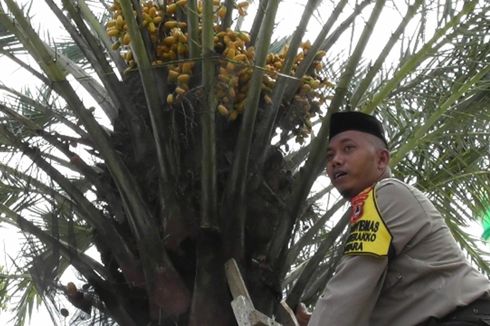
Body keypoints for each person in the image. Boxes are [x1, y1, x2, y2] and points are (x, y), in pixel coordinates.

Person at [299, 111, 490, 326]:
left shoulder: (387, 194)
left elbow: (351, 286)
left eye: (348, 148)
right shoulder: (375, 205)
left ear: (382, 159)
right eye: (330, 155)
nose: (336, 161)